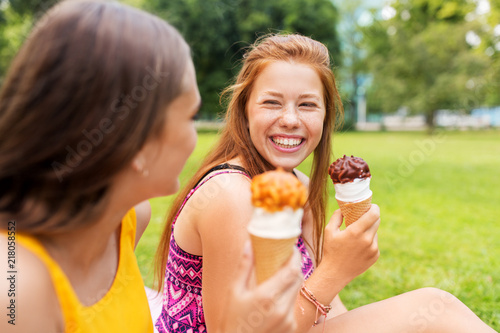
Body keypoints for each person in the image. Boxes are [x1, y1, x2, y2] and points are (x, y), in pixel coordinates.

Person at [155, 33, 497, 333]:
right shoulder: (231, 195)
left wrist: (335, 276)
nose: (290, 120)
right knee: (436, 307)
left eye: (307, 105)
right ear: (245, 110)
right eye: (272, 102)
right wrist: (335, 269)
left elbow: (326, 313)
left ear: (325, 115)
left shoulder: (297, 186)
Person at [0, 1, 302, 332]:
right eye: (190, 117)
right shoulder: (16, 288)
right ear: (135, 141)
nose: (195, 137)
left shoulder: (127, 219)